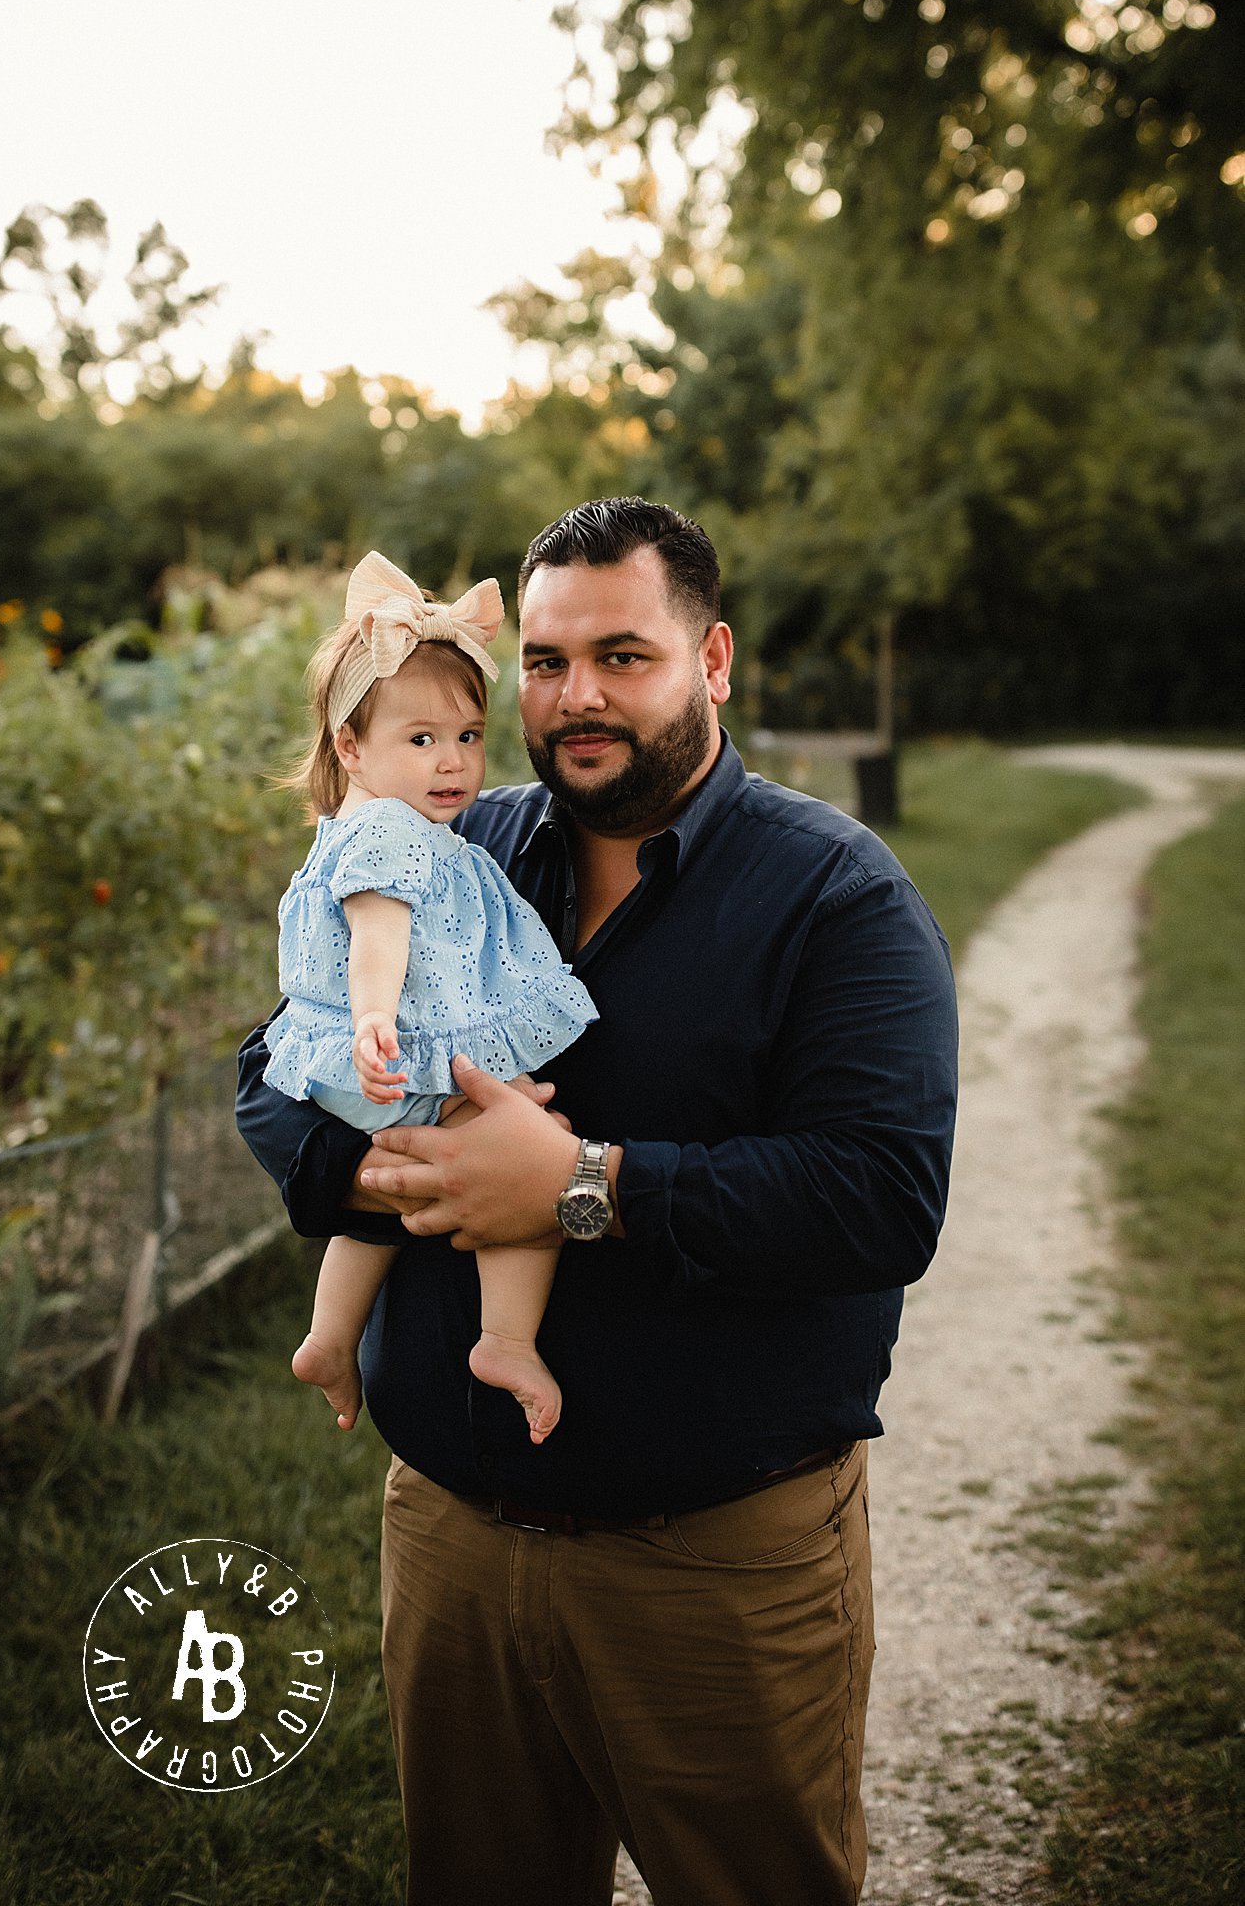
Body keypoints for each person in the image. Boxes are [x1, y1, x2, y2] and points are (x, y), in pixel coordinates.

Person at [236, 498, 959, 1906]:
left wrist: (580, 1187)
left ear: (714, 658)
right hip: (449, 1536)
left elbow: (877, 1200)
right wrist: (372, 1169)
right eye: (550, 663)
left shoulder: (835, 897)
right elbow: (276, 1063)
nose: (576, 699)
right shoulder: (455, 841)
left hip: (713, 1565)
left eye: (623, 656)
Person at [261, 550, 597, 1445]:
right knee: (533, 1155)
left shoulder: (378, 823)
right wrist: (376, 1019)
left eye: (465, 737)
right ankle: (505, 1340)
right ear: (348, 747)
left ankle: (330, 1337)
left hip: (363, 1052)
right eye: (420, 741)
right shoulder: (392, 835)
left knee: (387, 1209)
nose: (450, 763)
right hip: (396, 1047)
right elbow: (379, 935)